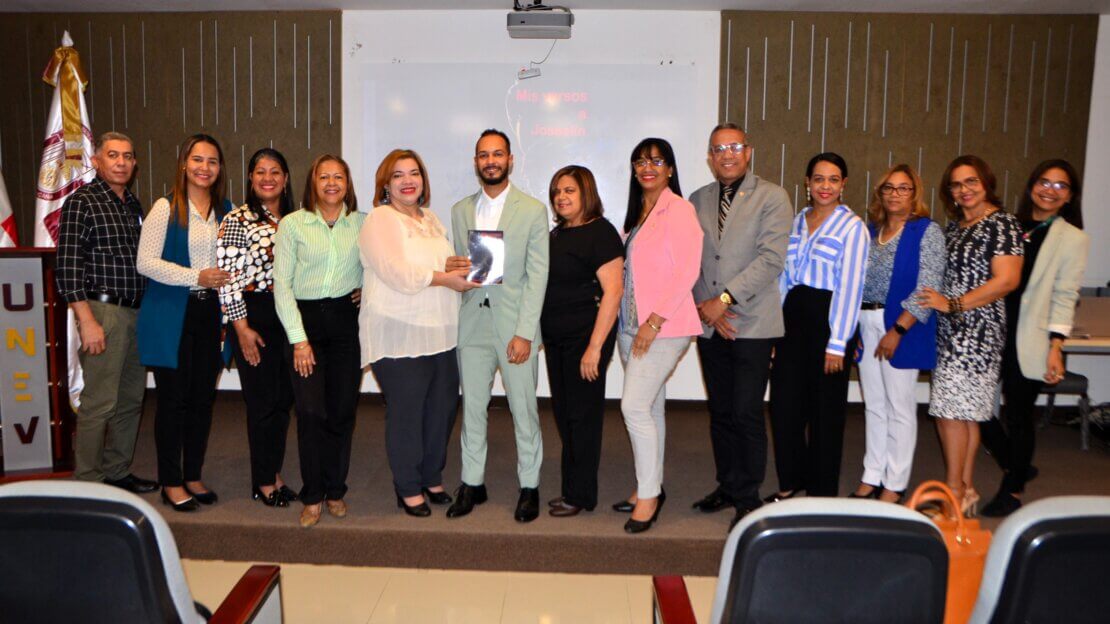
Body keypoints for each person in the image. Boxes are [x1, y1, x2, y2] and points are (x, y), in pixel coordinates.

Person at [359, 149, 475, 518]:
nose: (408, 180)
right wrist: (446, 278)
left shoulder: (431, 219)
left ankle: (431, 476)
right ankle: (407, 487)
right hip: (399, 332)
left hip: (441, 331)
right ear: (386, 184)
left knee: (441, 410)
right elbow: (397, 271)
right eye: (398, 175)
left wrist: (455, 267)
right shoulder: (380, 219)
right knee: (407, 412)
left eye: (414, 173)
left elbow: (433, 264)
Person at [444, 129, 550, 523]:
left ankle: (530, 485)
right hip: (472, 324)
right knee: (472, 407)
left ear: (510, 160)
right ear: (476, 163)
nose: (491, 161)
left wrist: (525, 332)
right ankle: (472, 482)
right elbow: (462, 268)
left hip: (514, 328)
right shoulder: (458, 211)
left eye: (498, 154)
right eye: (484, 155)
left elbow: (537, 277)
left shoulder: (533, 210)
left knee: (523, 408)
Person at [689, 123, 792, 527]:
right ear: (710, 156)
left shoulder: (772, 196)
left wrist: (725, 301)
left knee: (746, 412)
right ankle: (728, 485)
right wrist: (705, 306)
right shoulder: (698, 199)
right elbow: (693, 261)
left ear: (747, 152)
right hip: (711, 323)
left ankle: (749, 498)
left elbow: (770, 260)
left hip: (751, 322)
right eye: (718, 149)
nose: (726, 154)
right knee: (720, 411)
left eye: (734, 147)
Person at [979, 159, 1088, 517]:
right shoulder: (1011, 226)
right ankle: (1017, 462)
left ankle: (1012, 490)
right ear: (1031, 186)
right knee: (976, 407)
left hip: (1032, 338)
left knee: (1019, 415)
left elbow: (1064, 295)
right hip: (993, 330)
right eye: (1044, 182)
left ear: (1070, 196)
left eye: (1060, 186)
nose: (1050, 190)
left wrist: (1057, 347)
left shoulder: (1072, 238)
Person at [918, 155, 1022, 517]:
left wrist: (955, 304)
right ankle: (965, 489)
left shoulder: (1002, 223)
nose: (964, 190)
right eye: (956, 185)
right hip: (950, 328)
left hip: (978, 330)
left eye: (971, 182)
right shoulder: (956, 227)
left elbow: (1007, 280)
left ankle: (952, 493)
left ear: (986, 182)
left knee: (949, 412)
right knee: (963, 414)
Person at [56, 131, 157, 494]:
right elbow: (67, 267)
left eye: (128, 156)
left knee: (131, 399)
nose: (121, 162)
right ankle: (88, 481)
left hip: (135, 314)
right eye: (113, 155)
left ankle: (117, 471)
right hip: (102, 313)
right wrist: (87, 321)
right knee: (100, 402)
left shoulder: (133, 204)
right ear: (96, 160)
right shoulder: (81, 201)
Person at [612, 138, 703, 534]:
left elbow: (687, 272)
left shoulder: (679, 210)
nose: (647, 168)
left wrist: (653, 322)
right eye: (640, 162)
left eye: (656, 161)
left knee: (632, 407)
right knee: (651, 409)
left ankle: (649, 496)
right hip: (629, 326)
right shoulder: (638, 214)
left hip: (662, 328)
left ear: (670, 169)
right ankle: (650, 485)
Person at [136, 133, 232, 512]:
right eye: (197, 160)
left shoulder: (227, 210)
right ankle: (171, 482)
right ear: (183, 164)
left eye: (211, 161)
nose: (204, 167)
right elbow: (145, 262)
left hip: (211, 314)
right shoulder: (165, 207)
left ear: (219, 168)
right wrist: (196, 277)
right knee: (173, 401)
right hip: (172, 315)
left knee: (202, 401)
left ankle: (193, 474)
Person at [768, 152, 868, 501]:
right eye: (819, 179)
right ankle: (791, 482)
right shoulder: (796, 220)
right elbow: (782, 279)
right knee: (784, 407)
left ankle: (821, 493)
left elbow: (850, 286)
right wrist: (774, 331)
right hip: (792, 320)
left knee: (825, 414)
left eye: (833, 179)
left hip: (829, 323)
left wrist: (838, 342)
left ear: (843, 184)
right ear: (807, 183)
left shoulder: (853, 227)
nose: (825, 186)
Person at [273, 154, 365, 528]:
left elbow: (382, 267)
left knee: (342, 411)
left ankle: (335, 490)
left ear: (348, 183)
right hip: (304, 324)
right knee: (311, 413)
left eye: (338, 177)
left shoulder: (363, 224)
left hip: (345, 324)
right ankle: (312, 496)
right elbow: (282, 286)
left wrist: (366, 287)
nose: (331, 183)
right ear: (313, 183)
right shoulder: (293, 224)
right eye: (323, 177)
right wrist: (299, 340)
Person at [850, 165, 945, 504]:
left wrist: (898, 330)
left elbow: (928, 287)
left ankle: (895, 482)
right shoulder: (871, 230)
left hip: (902, 328)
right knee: (874, 405)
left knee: (900, 407)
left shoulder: (926, 231)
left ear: (914, 194)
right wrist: (855, 328)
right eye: (889, 188)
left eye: (903, 188)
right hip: (867, 322)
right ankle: (872, 474)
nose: (895, 194)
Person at [540, 165, 624, 518]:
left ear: (586, 192)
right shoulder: (557, 235)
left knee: (582, 418)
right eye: (557, 191)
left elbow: (614, 292)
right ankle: (570, 489)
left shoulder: (600, 233)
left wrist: (594, 348)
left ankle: (581, 495)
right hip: (557, 337)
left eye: (570, 190)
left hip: (586, 340)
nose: (561, 197)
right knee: (564, 414)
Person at [217, 148, 298, 507]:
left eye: (275, 171)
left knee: (283, 402)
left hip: (289, 317)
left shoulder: (296, 219)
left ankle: (274, 472)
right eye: (260, 171)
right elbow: (228, 280)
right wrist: (241, 328)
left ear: (285, 179)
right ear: (250, 178)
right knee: (262, 402)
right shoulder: (238, 219)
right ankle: (262, 481)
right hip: (254, 316)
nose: (268, 177)